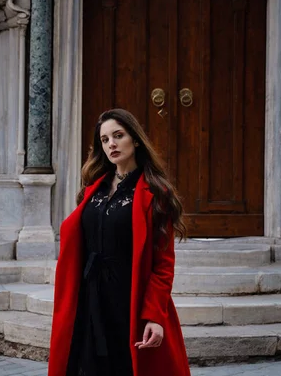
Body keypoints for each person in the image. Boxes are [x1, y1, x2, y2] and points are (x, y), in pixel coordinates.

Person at [48, 109, 191, 376]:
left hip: (129, 301)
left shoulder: (156, 194)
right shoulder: (93, 188)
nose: (111, 144)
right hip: (90, 299)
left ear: (135, 140)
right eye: (104, 140)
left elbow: (163, 265)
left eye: (118, 135)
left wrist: (155, 316)